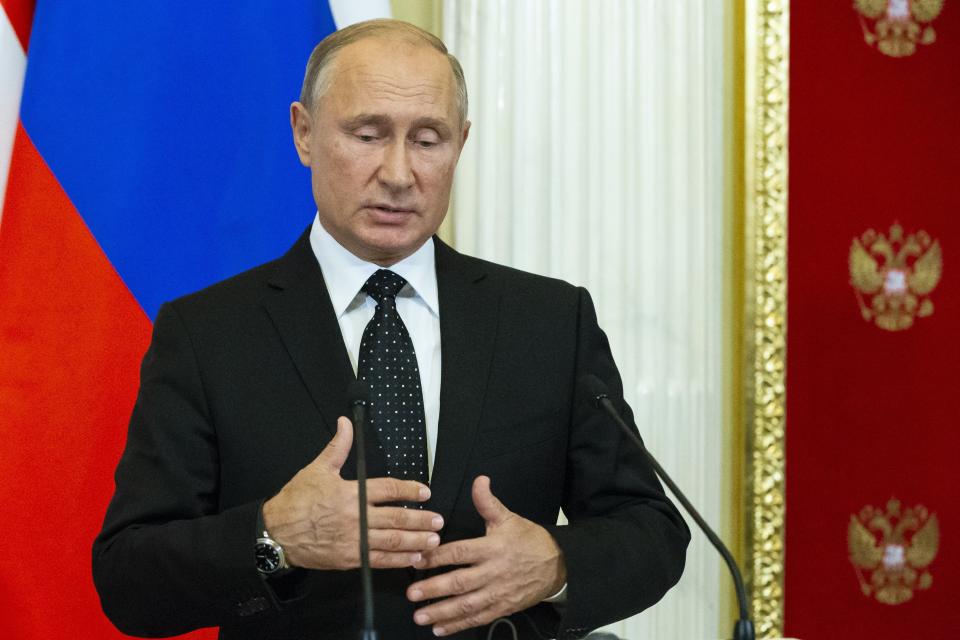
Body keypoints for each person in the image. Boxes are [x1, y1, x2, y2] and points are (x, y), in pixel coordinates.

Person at [92, 19, 689, 640]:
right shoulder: (208, 332)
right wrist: (273, 538)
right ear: (304, 133)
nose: (400, 173)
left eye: (428, 139)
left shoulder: (548, 320)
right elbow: (129, 581)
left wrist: (555, 564)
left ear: (461, 143)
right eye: (368, 134)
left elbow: (650, 530)